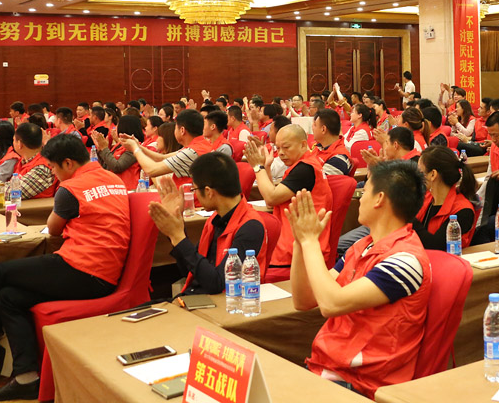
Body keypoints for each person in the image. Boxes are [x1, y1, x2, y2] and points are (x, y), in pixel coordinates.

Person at [0, 134, 130, 401]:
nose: (52, 173)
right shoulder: (113, 179)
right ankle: (27, 377)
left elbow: (53, 229)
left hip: (83, 269)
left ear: (68, 163)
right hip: (105, 271)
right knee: (7, 297)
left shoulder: (71, 188)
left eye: (53, 167)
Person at [294, 161, 431, 397]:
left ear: (379, 199)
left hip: (360, 384)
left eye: (364, 191)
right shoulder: (362, 246)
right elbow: (304, 300)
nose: (360, 198)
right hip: (327, 369)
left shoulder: (406, 260)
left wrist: (310, 242)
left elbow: (330, 303)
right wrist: (300, 242)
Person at [151, 153, 267, 295]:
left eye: (194, 189)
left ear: (208, 192)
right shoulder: (214, 220)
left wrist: (178, 237)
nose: (195, 195)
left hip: (224, 303)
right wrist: (177, 225)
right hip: (196, 297)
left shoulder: (250, 227)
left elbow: (217, 284)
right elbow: (190, 271)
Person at [245, 125, 333, 282]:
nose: (281, 153)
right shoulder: (302, 165)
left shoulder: (305, 169)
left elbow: (271, 198)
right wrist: (266, 166)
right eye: (278, 148)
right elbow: (272, 200)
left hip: (296, 250)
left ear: (303, 145)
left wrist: (257, 167)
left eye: (286, 147)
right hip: (295, 243)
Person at [122, 109, 213, 188]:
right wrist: (138, 146)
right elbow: (161, 158)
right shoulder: (200, 145)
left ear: (182, 130)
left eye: (176, 127)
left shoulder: (191, 152)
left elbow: (151, 170)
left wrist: (135, 148)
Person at [414, 145, 477, 249]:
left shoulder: (463, 211)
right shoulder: (427, 198)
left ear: (433, 175)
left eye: (420, 172)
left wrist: (407, 217)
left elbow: (437, 245)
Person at [92, 115, 143, 190]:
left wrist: (105, 148)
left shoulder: (134, 146)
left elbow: (117, 167)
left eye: (117, 125)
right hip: (113, 186)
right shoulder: (119, 145)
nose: (115, 128)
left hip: (127, 189)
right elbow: (106, 166)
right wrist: (100, 149)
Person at [13, 123, 56, 200]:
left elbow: (13, 193)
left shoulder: (41, 168)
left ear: (19, 144)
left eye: (13, 140)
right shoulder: (24, 160)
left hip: (33, 207)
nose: (12, 143)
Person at [311, 109, 353, 176]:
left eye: (315, 125)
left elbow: (317, 180)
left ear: (323, 129)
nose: (312, 127)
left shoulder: (339, 158)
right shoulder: (319, 147)